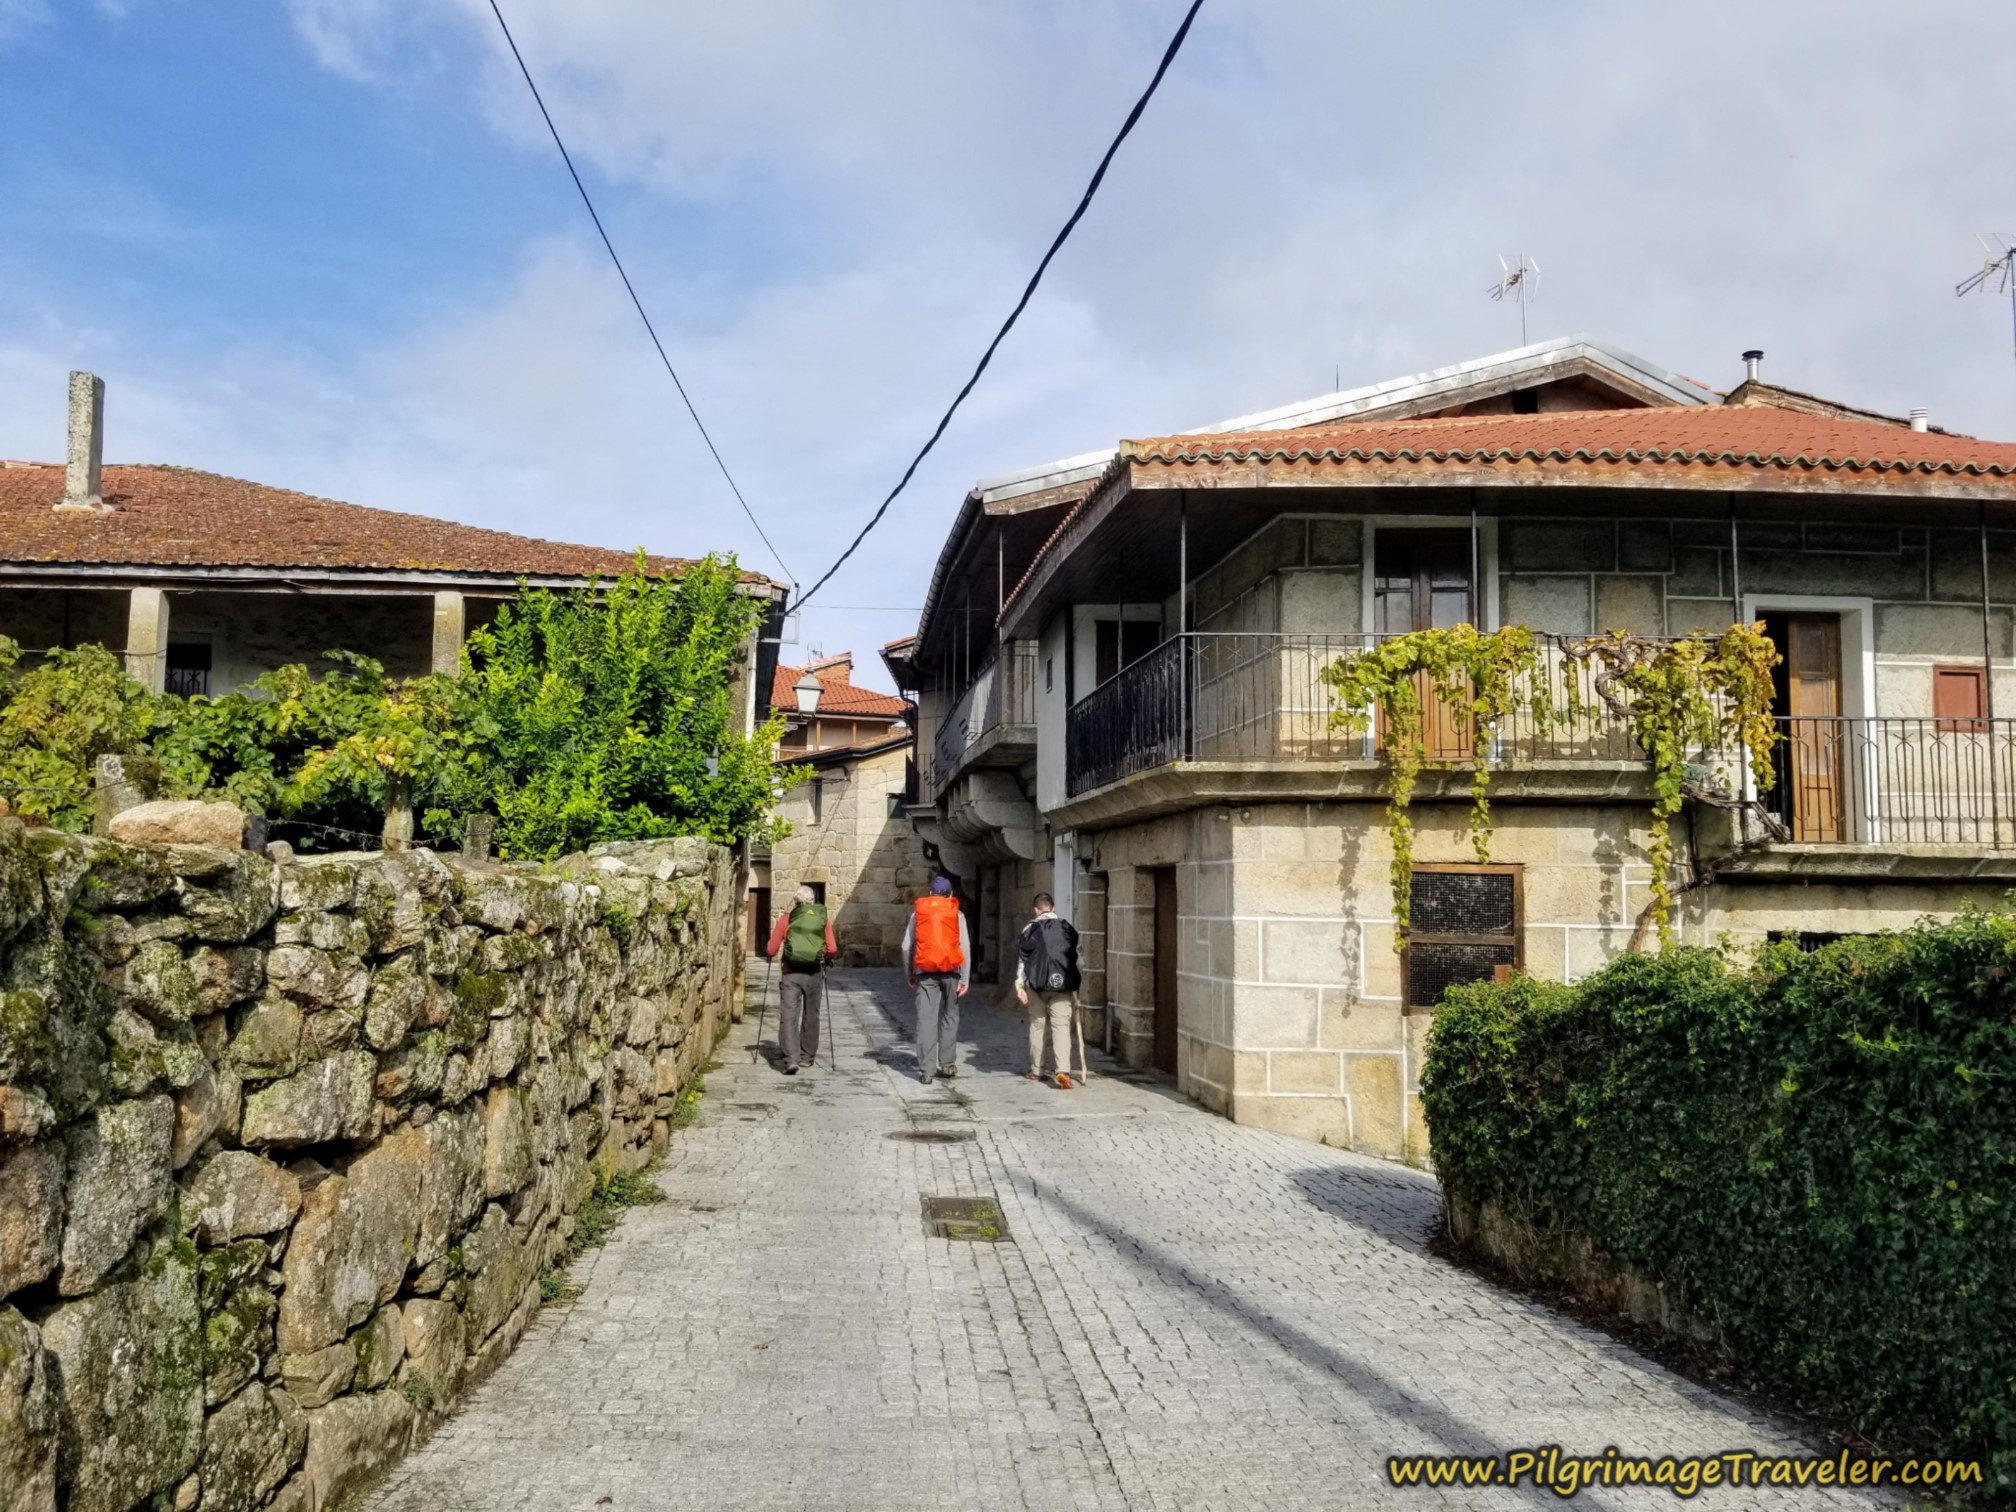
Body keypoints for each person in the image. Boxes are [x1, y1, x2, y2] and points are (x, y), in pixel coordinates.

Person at [763, 885, 836, 1075]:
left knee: (789, 1016)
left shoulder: (786, 920)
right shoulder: (822, 920)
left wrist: (769, 949)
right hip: (814, 974)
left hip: (790, 973)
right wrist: (826, 959)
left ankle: (790, 1059)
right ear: (813, 902)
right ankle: (807, 1057)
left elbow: (771, 950)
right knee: (812, 1015)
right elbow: (832, 948)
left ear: (796, 902)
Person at [902, 876, 969, 1083]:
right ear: (950, 895)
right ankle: (947, 1065)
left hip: (926, 972)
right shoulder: (957, 914)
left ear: (930, 894)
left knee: (926, 1020)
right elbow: (964, 946)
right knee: (950, 1017)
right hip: (951, 972)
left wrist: (910, 973)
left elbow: (906, 946)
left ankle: (926, 1070)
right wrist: (964, 977)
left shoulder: (919, 913)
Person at [1015, 892, 1081, 1089]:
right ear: (1053, 908)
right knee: (1061, 1027)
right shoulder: (1067, 927)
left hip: (1036, 986)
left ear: (1036, 910)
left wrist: (1019, 985)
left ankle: (1037, 1070)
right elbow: (1076, 956)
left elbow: (1023, 960)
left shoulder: (1030, 929)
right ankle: (1063, 1071)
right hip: (1063, 987)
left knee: (1038, 1025)